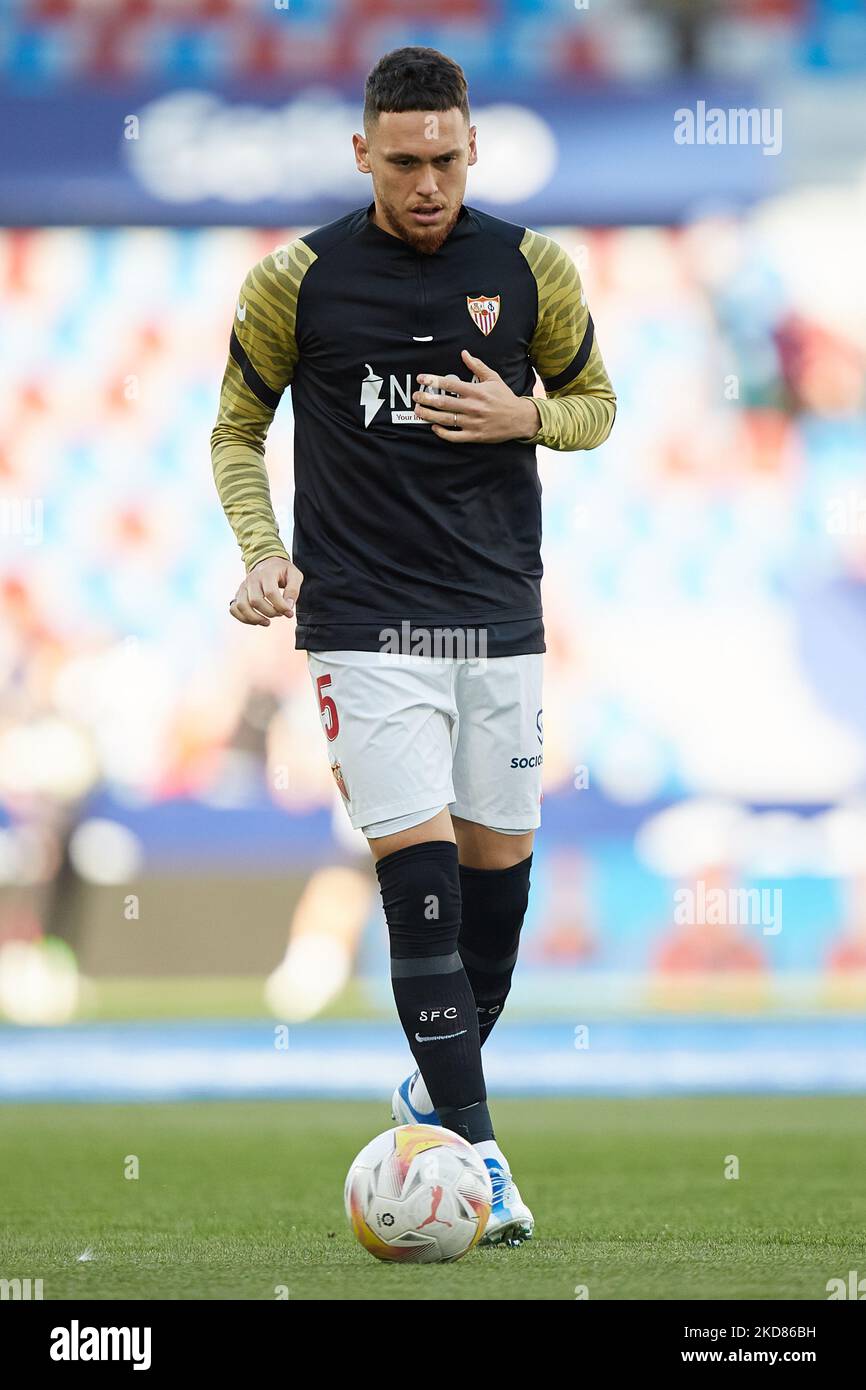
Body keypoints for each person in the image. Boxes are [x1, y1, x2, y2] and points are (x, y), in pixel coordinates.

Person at [211, 46, 616, 1244]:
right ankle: (480, 1156)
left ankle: (432, 1093)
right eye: (403, 162)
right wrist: (260, 548)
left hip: (497, 614)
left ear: (472, 147)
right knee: (422, 896)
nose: (426, 182)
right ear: (361, 154)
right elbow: (238, 429)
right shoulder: (298, 279)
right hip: (364, 624)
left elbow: (598, 407)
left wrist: (525, 415)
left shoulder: (532, 267)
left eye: (444, 158)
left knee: (499, 891)